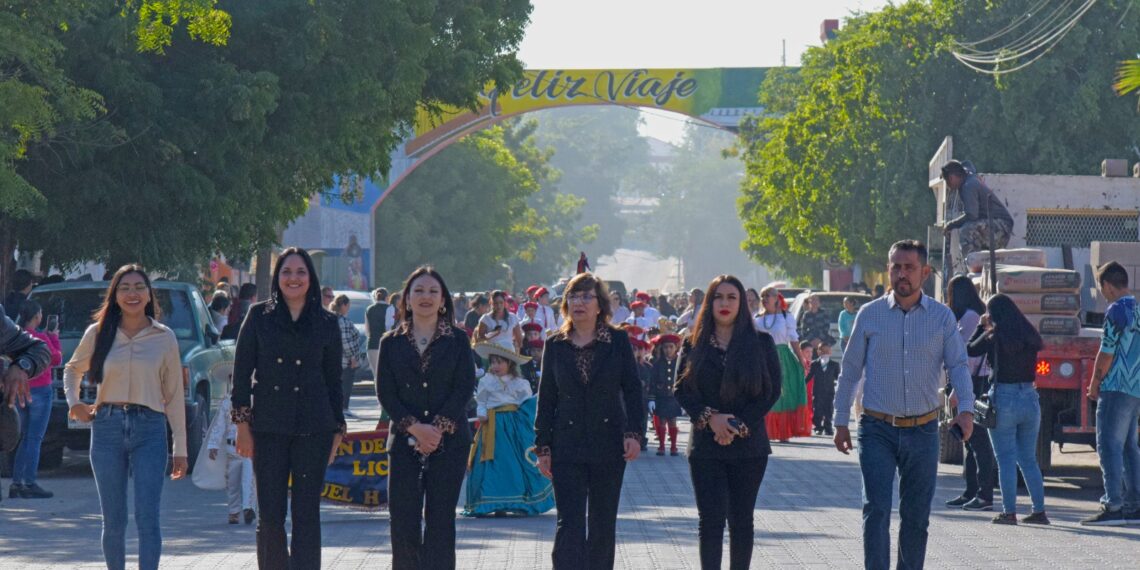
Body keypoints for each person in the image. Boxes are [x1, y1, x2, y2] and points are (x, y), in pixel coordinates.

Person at [833, 240, 975, 570]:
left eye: (909, 267)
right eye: (896, 266)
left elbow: (958, 365)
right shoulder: (870, 315)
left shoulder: (941, 318)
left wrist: (965, 410)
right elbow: (851, 368)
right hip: (877, 428)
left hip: (923, 430)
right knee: (877, 509)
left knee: (916, 516)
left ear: (924, 273)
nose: (901, 274)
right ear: (888, 270)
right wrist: (841, 420)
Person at [64, 265, 189, 570]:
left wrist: (181, 449)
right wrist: (75, 402)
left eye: (138, 287)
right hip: (106, 427)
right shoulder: (98, 332)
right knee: (114, 520)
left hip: (150, 429)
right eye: (124, 288)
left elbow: (174, 396)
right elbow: (72, 369)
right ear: (115, 295)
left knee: (148, 517)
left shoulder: (164, 337)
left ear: (149, 294)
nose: (132, 294)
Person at [231, 248, 346, 570]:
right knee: (270, 515)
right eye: (286, 272)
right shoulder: (258, 316)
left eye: (300, 272)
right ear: (276, 278)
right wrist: (242, 425)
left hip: (315, 427)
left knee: (307, 514)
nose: (293, 278)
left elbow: (334, 381)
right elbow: (241, 376)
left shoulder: (327, 322)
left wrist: (338, 430)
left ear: (311, 278)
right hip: (268, 427)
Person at [534, 272, 643, 569]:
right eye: (573, 295)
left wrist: (634, 433)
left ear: (600, 305)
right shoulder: (555, 344)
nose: (579, 302)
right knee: (568, 524)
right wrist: (542, 447)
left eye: (586, 296)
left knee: (602, 524)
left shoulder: (617, 340)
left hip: (609, 443)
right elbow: (547, 399)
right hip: (566, 445)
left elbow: (633, 390)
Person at [674, 274, 782, 570]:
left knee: (741, 520)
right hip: (706, 447)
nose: (724, 303)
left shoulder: (761, 342)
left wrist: (736, 425)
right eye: (718, 297)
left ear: (742, 304)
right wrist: (711, 420)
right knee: (710, 521)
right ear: (709, 303)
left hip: (749, 446)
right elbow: (680, 390)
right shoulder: (692, 343)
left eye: (731, 297)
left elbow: (772, 390)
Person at [376, 266, 475, 568]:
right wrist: (415, 429)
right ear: (405, 299)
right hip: (404, 444)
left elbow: (464, 387)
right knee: (403, 524)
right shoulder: (390, 342)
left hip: (450, 444)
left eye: (433, 291)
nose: (425, 297)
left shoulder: (458, 340)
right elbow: (386, 393)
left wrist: (436, 430)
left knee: (440, 524)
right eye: (418, 291)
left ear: (443, 300)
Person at [967, 294, 1048, 525]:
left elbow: (970, 349)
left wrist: (981, 326)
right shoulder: (1029, 335)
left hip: (1004, 397)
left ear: (993, 314)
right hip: (1030, 398)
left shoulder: (994, 336)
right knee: (1028, 459)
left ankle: (1009, 512)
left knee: (1005, 459)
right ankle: (1039, 511)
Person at [463, 343, 555, 517]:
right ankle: (492, 501)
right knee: (492, 463)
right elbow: (481, 402)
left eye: (500, 362)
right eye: (493, 362)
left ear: (510, 364)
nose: (495, 366)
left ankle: (517, 500)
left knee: (514, 462)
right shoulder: (486, 381)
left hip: (513, 428)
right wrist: (482, 413)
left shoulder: (520, 383)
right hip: (492, 426)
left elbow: (526, 405)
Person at [1081, 261, 1140, 526]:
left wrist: (1094, 382)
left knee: (1108, 445)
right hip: (1135, 388)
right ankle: (1134, 504)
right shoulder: (1138, 308)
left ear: (1107, 285)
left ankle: (1113, 504)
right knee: (1129, 446)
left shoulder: (1116, 310)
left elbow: (1107, 351)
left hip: (1116, 386)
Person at [944, 275, 997, 512]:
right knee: (969, 440)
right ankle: (971, 491)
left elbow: (967, 356)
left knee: (978, 441)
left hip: (972, 383)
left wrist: (957, 389)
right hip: (968, 381)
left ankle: (982, 493)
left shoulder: (971, 317)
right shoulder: (970, 315)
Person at [8, 300, 61, 499]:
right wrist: (54, 338)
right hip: (40, 391)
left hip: (20, 391)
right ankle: (29, 482)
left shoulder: (15, 337)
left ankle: (16, 482)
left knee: (21, 437)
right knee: (34, 438)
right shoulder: (39, 339)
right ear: (37, 317)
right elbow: (56, 359)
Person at [754, 286, 810, 442]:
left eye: (768, 296)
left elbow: (793, 340)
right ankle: (764, 430)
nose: (764, 299)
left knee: (783, 394)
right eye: (762, 296)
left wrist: (801, 360)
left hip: (782, 357)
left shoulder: (786, 317)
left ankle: (783, 432)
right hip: (762, 358)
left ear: (776, 298)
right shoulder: (757, 319)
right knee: (763, 392)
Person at [938, 160, 1013, 262]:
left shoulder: (968, 186)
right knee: (974, 231)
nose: (948, 185)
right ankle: (980, 265)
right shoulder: (967, 176)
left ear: (951, 177)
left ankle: (972, 266)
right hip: (997, 225)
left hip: (1001, 226)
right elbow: (968, 164)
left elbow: (972, 215)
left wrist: (951, 225)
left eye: (947, 181)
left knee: (967, 230)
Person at [206, 381, 257, 525]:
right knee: (232, 483)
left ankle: (248, 508)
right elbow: (219, 425)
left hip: (249, 449)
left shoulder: (254, 401)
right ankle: (234, 511)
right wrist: (213, 444)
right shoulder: (226, 402)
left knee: (249, 480)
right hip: (231, 449)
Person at [331, 294, 366, 418]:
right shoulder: (343, 321)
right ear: (344, 305)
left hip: (336, 358)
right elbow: (345, 341)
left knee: (337, 385)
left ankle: (339, 408)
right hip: (346, 360)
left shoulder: (333, 319)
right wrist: (353, 357)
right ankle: (344, 408)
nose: (349, 308)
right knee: (346, 385)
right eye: (348, 305)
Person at [648, 334, 683, 456]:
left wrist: (684, 400)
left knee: (672, 421)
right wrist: (651, 399)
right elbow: (652, 382)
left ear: (676, 348)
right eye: (665, 347)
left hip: (673, 397)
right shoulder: (658, 364)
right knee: (661, 421)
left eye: (671, 347)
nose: (668, 350)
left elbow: (683, 382)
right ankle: (661, 446)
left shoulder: (679, 364)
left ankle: (673, 446)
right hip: (661, 397)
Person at [806, 341, 839, 436]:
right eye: (822, 351)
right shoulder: (814, 364)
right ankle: (818, 427)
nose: (825, 353)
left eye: (827, 351)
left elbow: (838, 377)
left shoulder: (834, 365)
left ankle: (828, 427)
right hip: (817, 392)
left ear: (830, 352)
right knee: (818, 409)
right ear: (818, 352)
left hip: (830, 392)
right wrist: (802, 384)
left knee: (829, 410)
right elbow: (809, 376)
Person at [365, 288, 390, 377]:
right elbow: (390, 329)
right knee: (387, 375)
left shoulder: (369, 309)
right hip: (387, 345)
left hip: (372, 345)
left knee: (376, 376)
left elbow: (367, 330)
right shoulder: (390, 309)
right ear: (387, 297)